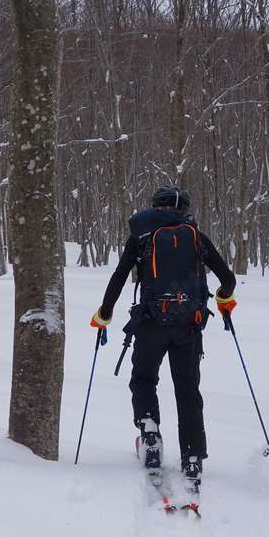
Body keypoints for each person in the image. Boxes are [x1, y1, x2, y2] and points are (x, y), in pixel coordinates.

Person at [90, 186, 236, 487]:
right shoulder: (195, 237)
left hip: (150, 324)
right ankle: (192, 457)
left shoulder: (141, 236)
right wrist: (223, 297)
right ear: (184, 209)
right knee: (188, 389)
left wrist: (105, 313)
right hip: (189, 326)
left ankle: (150, 437)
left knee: (144, 379)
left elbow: (119, 276)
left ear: (155, 207)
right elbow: (228, 278)